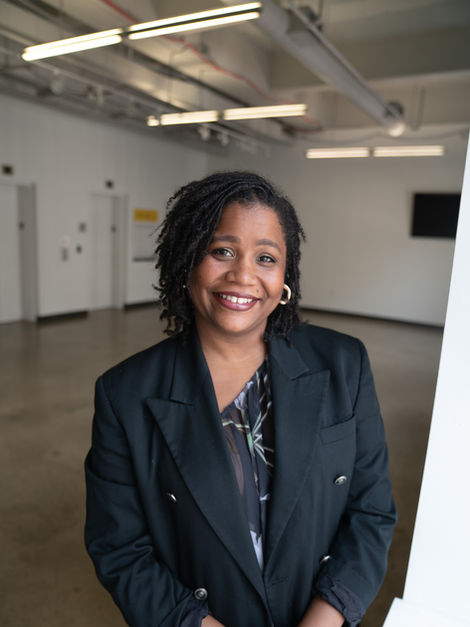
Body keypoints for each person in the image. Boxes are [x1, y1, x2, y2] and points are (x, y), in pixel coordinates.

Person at [85, 171, 397, 627]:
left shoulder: (344, 364)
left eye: (265, 258)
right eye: (222, 251)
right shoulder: (124, 394)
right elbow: (120, 549)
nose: (243, 275)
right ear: (188, 260)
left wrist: (325, 618)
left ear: (285, 277)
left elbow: (371, 511)